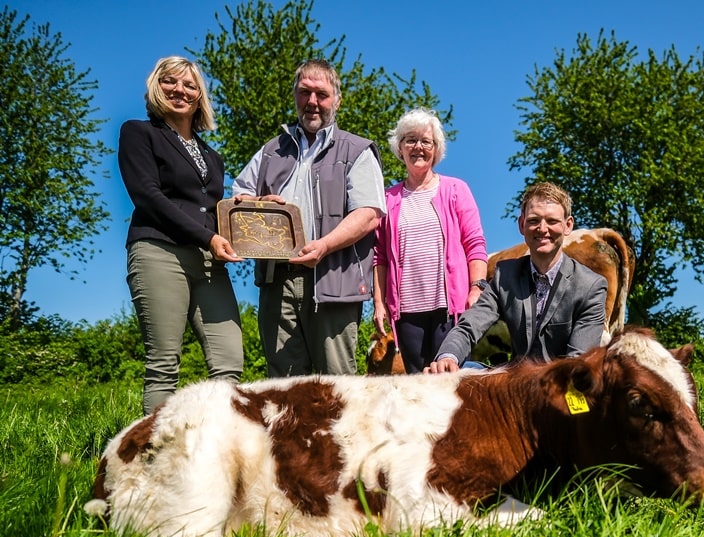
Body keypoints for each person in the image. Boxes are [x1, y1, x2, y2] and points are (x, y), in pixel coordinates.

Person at [232, 59, 386, 377]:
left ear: (337, 99)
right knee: (284, 387)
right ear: (295, 96)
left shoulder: (357, 150)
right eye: (304, 93)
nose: (312, 102)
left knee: (336, 386)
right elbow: (237, 198)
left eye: (321, 94)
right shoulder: (270, 151)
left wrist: (324, 246)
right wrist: (258, 203)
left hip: (333, 280)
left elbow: (369, 214)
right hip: (277, 282)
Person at [118, 56, 243, 416]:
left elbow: (213, 208)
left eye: (189, 85)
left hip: (208, 263)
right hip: (159, 251)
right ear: (156, 87)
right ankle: (153, 459)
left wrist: (252, 213)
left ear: (199, 95)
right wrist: (208, 238)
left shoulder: (211, 156)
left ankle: (218, 452)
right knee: (163, 363)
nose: (180, 90)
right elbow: (148, 195)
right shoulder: (138, 133)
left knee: (229, 360)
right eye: (170, 82)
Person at [426, 182, 607, 373]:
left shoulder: (591, 286)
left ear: (568, 225)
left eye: (552, 221)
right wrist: (448, 357)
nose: (542, 228)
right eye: (533, 220)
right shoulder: (505, 275)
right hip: (514, 383)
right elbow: (469, 326)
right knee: (458, 372)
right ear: (521, 225)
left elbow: (577, 362)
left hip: (560, 384)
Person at [373, 108, 489, 373]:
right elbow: (379, 257)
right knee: (417, 385)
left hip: (448, 310)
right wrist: (379, 304)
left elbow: (475, 243)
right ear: (399, 148)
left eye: (426, 141)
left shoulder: (455, 190)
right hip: (407, 314)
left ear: (436, 149)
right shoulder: (387, 199)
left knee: (450, 382)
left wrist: (477, 287)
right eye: (410, 140)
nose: (418, 147)